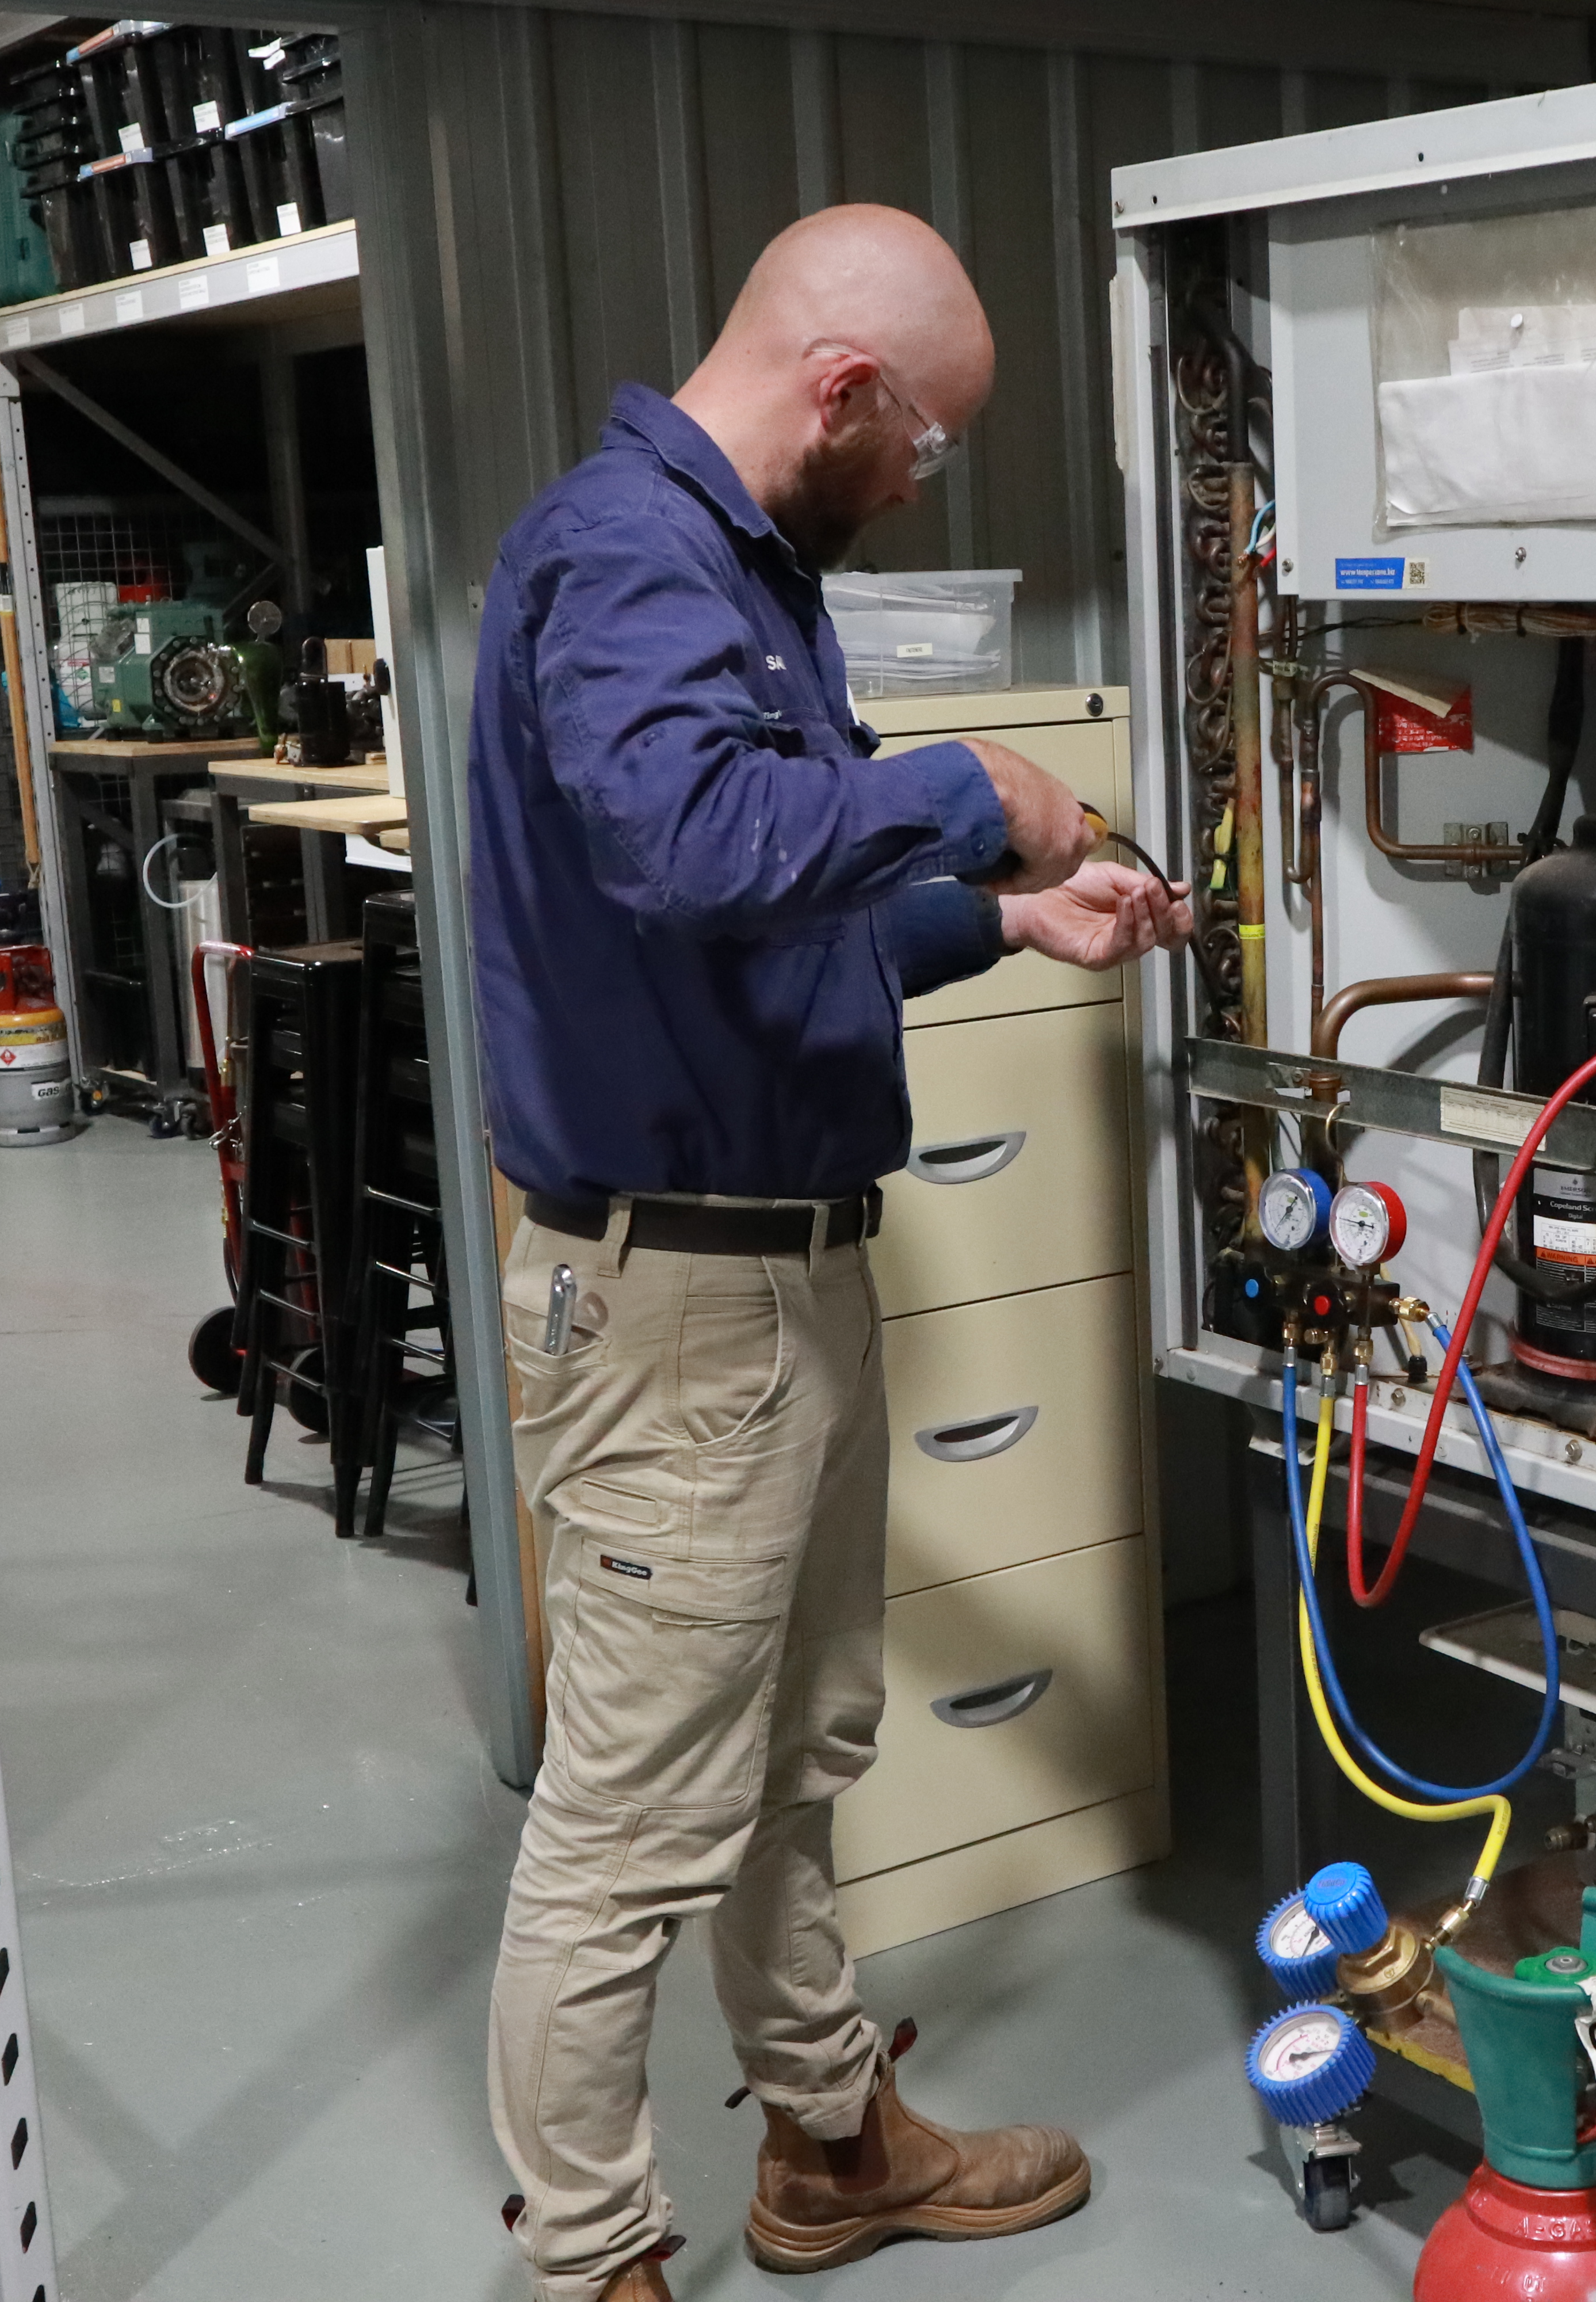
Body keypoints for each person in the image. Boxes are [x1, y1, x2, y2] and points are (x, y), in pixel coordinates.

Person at [463, 203, 1192, 2300]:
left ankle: (830, 2142)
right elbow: (697, 845)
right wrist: (980, 788)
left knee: (796, 1762)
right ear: (846, 387)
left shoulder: (744, 577)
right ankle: (595, 2259)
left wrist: (1005, 916)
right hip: (678, 1303)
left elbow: (777, 923)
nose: (919, 485)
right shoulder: (628, 555)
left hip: (784, 1280)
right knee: (625, 1832)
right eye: (927, 443)